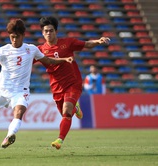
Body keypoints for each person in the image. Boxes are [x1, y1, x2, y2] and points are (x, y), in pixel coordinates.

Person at [0, 19, 73, 149]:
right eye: (12, 37)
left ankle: (10, 135)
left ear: (23, 36)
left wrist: (63, 59)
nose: (14, 40)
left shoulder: (31, 49)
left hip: (20, 91)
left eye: (17, 37)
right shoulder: (3, 50)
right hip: (2, 90)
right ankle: (7, 126)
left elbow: (48, 60)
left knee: (19, 112)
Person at [37, 16, 110, 149]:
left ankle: (59, 140)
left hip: (73, 83)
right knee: (66, 114)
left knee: (66, 111)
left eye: (51, 30)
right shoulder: (40, 50)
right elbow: (25, 61)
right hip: (56, 87)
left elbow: (86, 44)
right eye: (46, 31)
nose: (49, 33)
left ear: (56, 31)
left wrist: (98, 41)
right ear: (42, 33)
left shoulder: (68, 43)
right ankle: (76, 108)